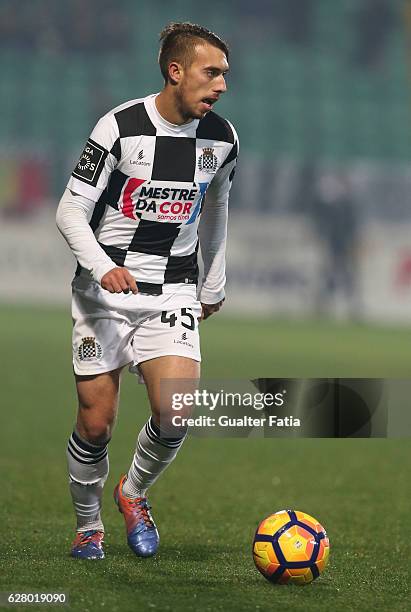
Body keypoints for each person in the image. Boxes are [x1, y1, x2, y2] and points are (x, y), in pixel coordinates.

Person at [56, 22, 239, 560]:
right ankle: (89, 526)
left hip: (172, 291)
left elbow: (217, 211)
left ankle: (133, 493)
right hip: (104, 295)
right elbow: (70, 210)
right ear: (175, 72)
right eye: (212, 72)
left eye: (225, 74)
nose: (222, 84)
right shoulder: (119, 127)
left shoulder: (222, 139)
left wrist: (214, 280)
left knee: (176, 410)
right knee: (96, 422)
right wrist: (100, 268)